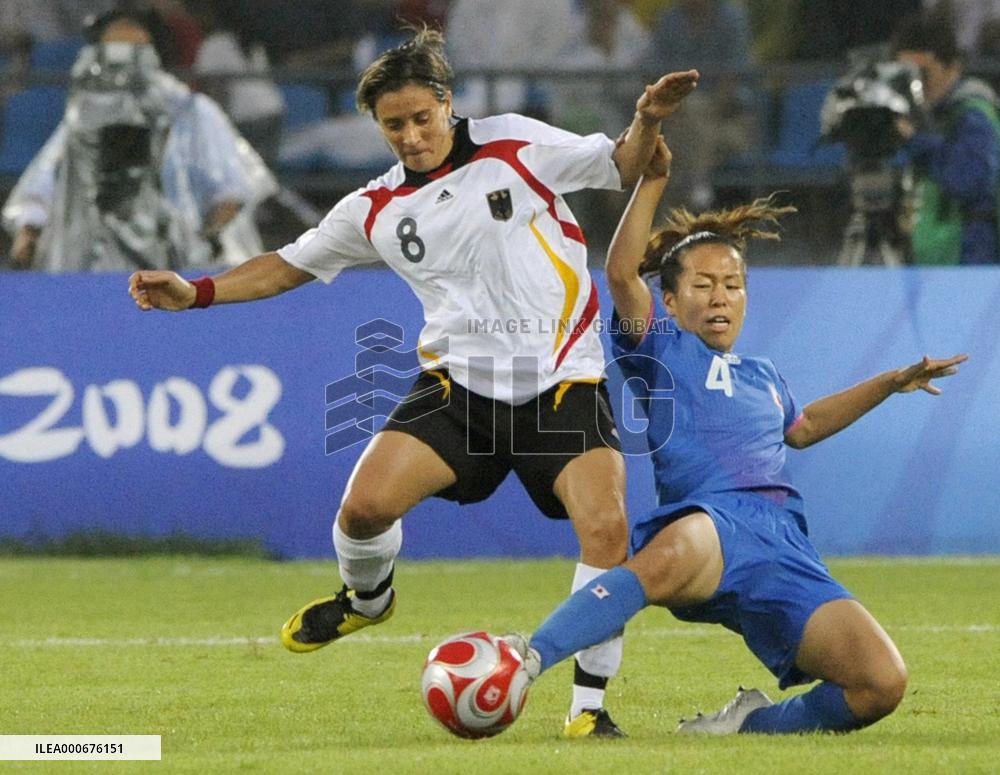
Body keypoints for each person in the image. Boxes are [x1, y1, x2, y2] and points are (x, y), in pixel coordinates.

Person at [126, 26, 700, 737]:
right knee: (363, 509)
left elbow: (620, 165)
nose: (409, 135)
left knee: (606, 529)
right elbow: (285, 264)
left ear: (447, 105)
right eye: (393, 125)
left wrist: (645, 119)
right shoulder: (376, 207)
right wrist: (198, 289)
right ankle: (367, 599)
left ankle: (588, 708)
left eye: (420, 119)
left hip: (562, 385)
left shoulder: (513, 146)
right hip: (457, 390)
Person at [504, 135, 967, 734]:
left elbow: (805, 429)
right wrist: (651, 180)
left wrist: (890, 381)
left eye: (733, 283)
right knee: (671, 550)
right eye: (703, 285)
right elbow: (620, 273)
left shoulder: (764, 376)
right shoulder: (660, 350)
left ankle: (749, 726)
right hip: (711, 523)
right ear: (669, 300)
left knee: (880, 683)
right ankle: (525, 659)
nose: (721, 296)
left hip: (783, 544)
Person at [2, 8, 275, 271]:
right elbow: (42, 186)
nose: (123, 61)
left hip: (183, 269)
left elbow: (233, 191)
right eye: (113, 49)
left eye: (136, 50)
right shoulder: (84, 117)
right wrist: (28, 234)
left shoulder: (192, 112)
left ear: (155, 53)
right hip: (96, 271)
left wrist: (205, 244)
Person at [892, 10, 1000, 265]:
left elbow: (969, 180)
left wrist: (917, 140)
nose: (915, 85)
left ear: (952, 67)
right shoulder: (922, 117)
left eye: (922, 73)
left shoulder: (973, 113)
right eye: (905, 76)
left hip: (970, 252)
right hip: (931, 250)